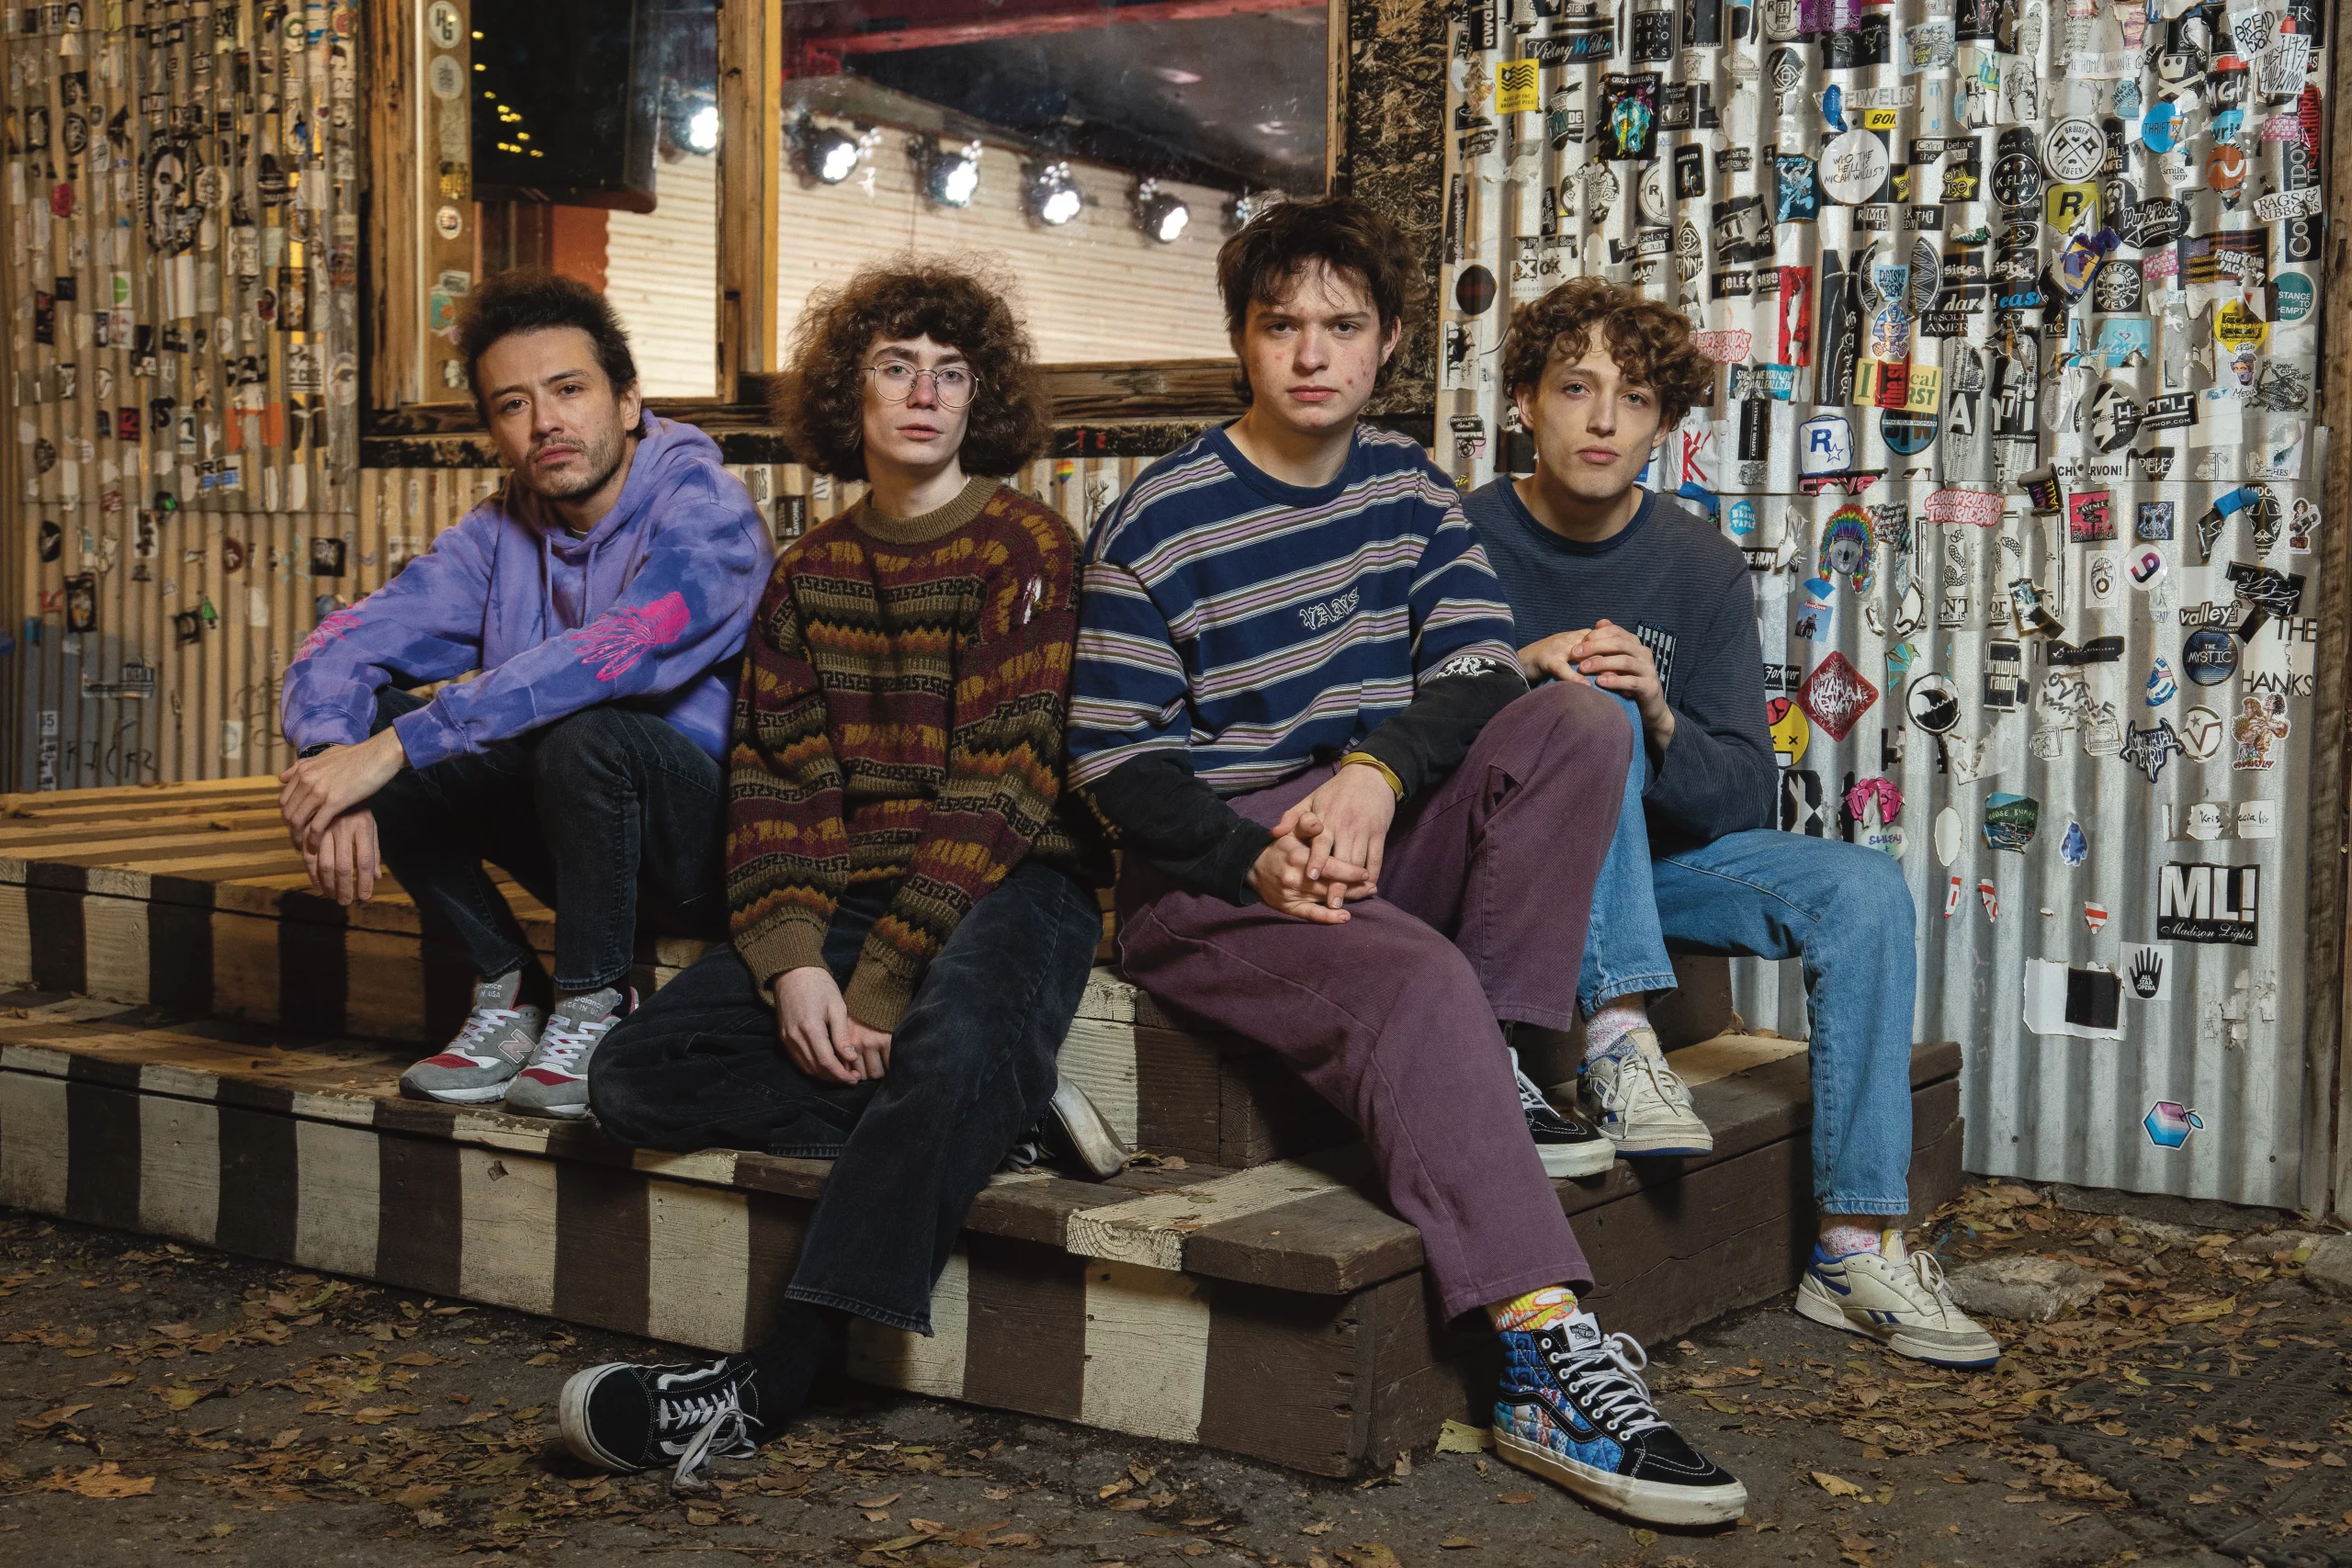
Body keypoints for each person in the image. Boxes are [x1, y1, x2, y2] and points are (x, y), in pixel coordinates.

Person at [1066, 197, 1747, 1526]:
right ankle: (1543, 1351)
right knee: (1414, 978)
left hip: (1363, 827)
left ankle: (1487, 1055)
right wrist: (1252, 856)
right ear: (1243, 343)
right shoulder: (1160, 517)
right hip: (1212, 876)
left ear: (1386, 346)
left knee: (1578, 718)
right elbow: (1112, 762)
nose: (1312, 352)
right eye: (1282, 326)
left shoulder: (1407, 490)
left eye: (1343, 325)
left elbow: (1485, 665)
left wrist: (1375, 773)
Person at [558, 263, 1119, 1483]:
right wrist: (796, 961)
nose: (926, 392)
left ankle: (769, 1384)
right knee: (631, 1074)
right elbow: (775, 783)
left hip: (1016, 878)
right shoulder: (807, 571)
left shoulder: (1027, 546)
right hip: (856, 891)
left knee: (953, 1038)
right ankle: (994, 1111)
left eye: (953, 371)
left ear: (983, 397)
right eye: (895, 365)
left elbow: (1005, 781)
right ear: (849, 392)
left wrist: (881, 986)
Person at [1464, 276, 1998, 1370]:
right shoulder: (1459, 536)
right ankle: (1617, 1041)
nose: (1605, 420)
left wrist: (1658, 714)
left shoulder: (1698, 563)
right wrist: (1527, 673)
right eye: (1575, 388)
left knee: (1862, 889)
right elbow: (1408, 735)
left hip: (1653, 878)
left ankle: (1853, 1243)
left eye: (1639, 398)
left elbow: (1740, 794)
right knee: (1587, 700)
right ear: (1524, 401)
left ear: (1665, 424)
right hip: (1508, 871)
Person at [276, 272, 773, 1118]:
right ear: (496, 430)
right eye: (513, 404)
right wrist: (334, 756)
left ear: (626, 401)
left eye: (569, 389)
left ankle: (597, 1002)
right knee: (373, 725)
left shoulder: (708, 514)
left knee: (584, 732)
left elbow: (613, 655)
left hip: (704, 851)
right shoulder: (499, 531)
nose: (545, 422)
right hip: (571, 839)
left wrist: (395, 751)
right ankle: (510, 988)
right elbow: (343, 643)